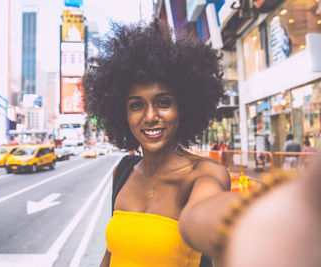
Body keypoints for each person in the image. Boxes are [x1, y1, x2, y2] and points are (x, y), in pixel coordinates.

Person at [83, 20, 230, 267]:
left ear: (182, 108)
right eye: (137, 105)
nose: (150, 116)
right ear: (123, 114)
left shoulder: (204, 175)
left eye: (163, 102)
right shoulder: (123, 171)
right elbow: (111, 256)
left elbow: (205, 220)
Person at [177, 115, 321, 267]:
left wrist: (259, 226)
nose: (150, 116)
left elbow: (198, 212)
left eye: (163, 103)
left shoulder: (204, 170)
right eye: (146, 105)